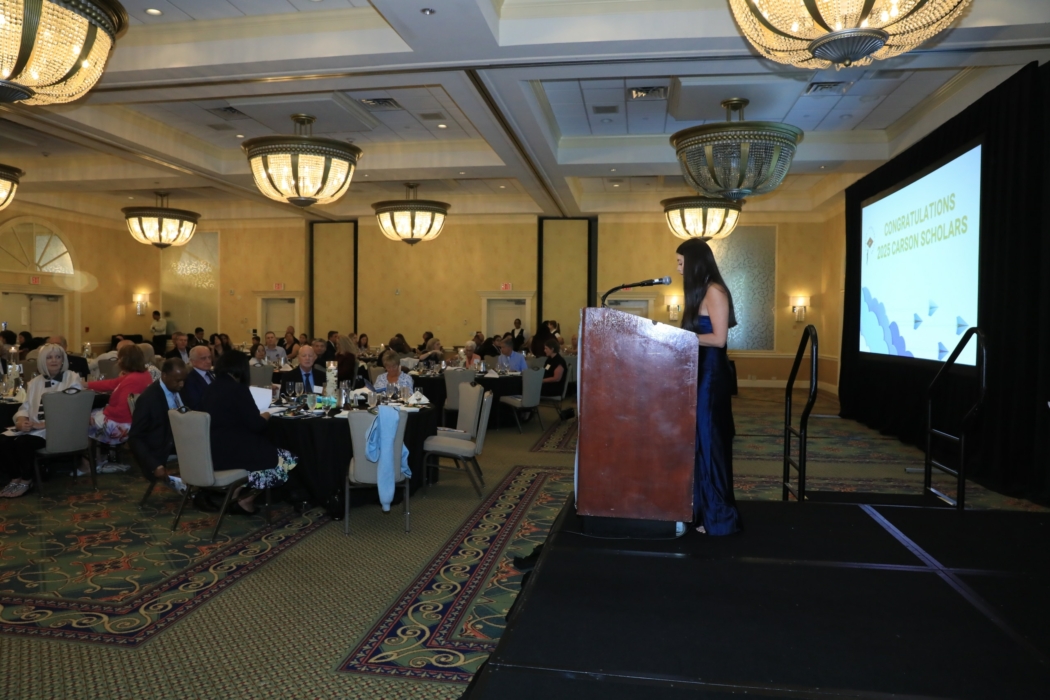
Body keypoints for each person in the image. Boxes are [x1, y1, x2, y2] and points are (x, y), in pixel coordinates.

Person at [677, 238, 740, 536]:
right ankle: (700, 511)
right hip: (698, 372)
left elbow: (719, 339)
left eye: (681, 263)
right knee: (697, 443)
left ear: (694, 263)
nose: (678, 268)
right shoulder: (699, 292)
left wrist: (683, 337)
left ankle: (718, 516)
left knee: (709, 441)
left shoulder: (715, 290)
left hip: (711, 375)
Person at [201, 351, 296, 515]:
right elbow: (256, 425)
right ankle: (246, 500)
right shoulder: (238, 390)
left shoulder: (209, 389)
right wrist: (266, 415)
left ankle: (235, 493)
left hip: (211, 451)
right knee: (286, 457)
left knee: (263, 449)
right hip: (232, 453)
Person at [0, 344, 84, 498]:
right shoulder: (35, 382)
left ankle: (27, 480)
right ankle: (15, 478)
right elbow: (25, 406)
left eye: (58, 357)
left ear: (63, 360)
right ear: (42, 361)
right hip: (35, 429)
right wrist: (21, 421)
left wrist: (42, 424)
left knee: (23, 443)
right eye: (49, 357)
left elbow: (72, 410)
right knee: (3, 440)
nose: (54, 360)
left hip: (59, 430)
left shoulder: (72, 378)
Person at [86, 344, 154, 471]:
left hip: (123, 426)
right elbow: (112, 383)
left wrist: (105, 410)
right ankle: (103, 456)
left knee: (83, 420)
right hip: (135, 421)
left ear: (123, 360)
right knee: (93, 414)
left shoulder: (132, 380)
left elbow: (121, 411)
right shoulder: (143, 375)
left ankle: (91, 463)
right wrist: (87, 385)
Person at [128, 357, 187, 492]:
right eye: (177, 380)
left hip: (184, 438)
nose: (182, 384)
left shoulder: (182, 389)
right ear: (164, 376)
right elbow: (135, 437)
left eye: (184, 380)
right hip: (163, 445)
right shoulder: (148, 399)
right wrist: (154, 465)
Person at [181, 345, 214, 410]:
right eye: (203, 358)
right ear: (192, 361)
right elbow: (195, 406)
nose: (208, 361)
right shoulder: (189, 380)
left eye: (209, 357)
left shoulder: (212, 374)